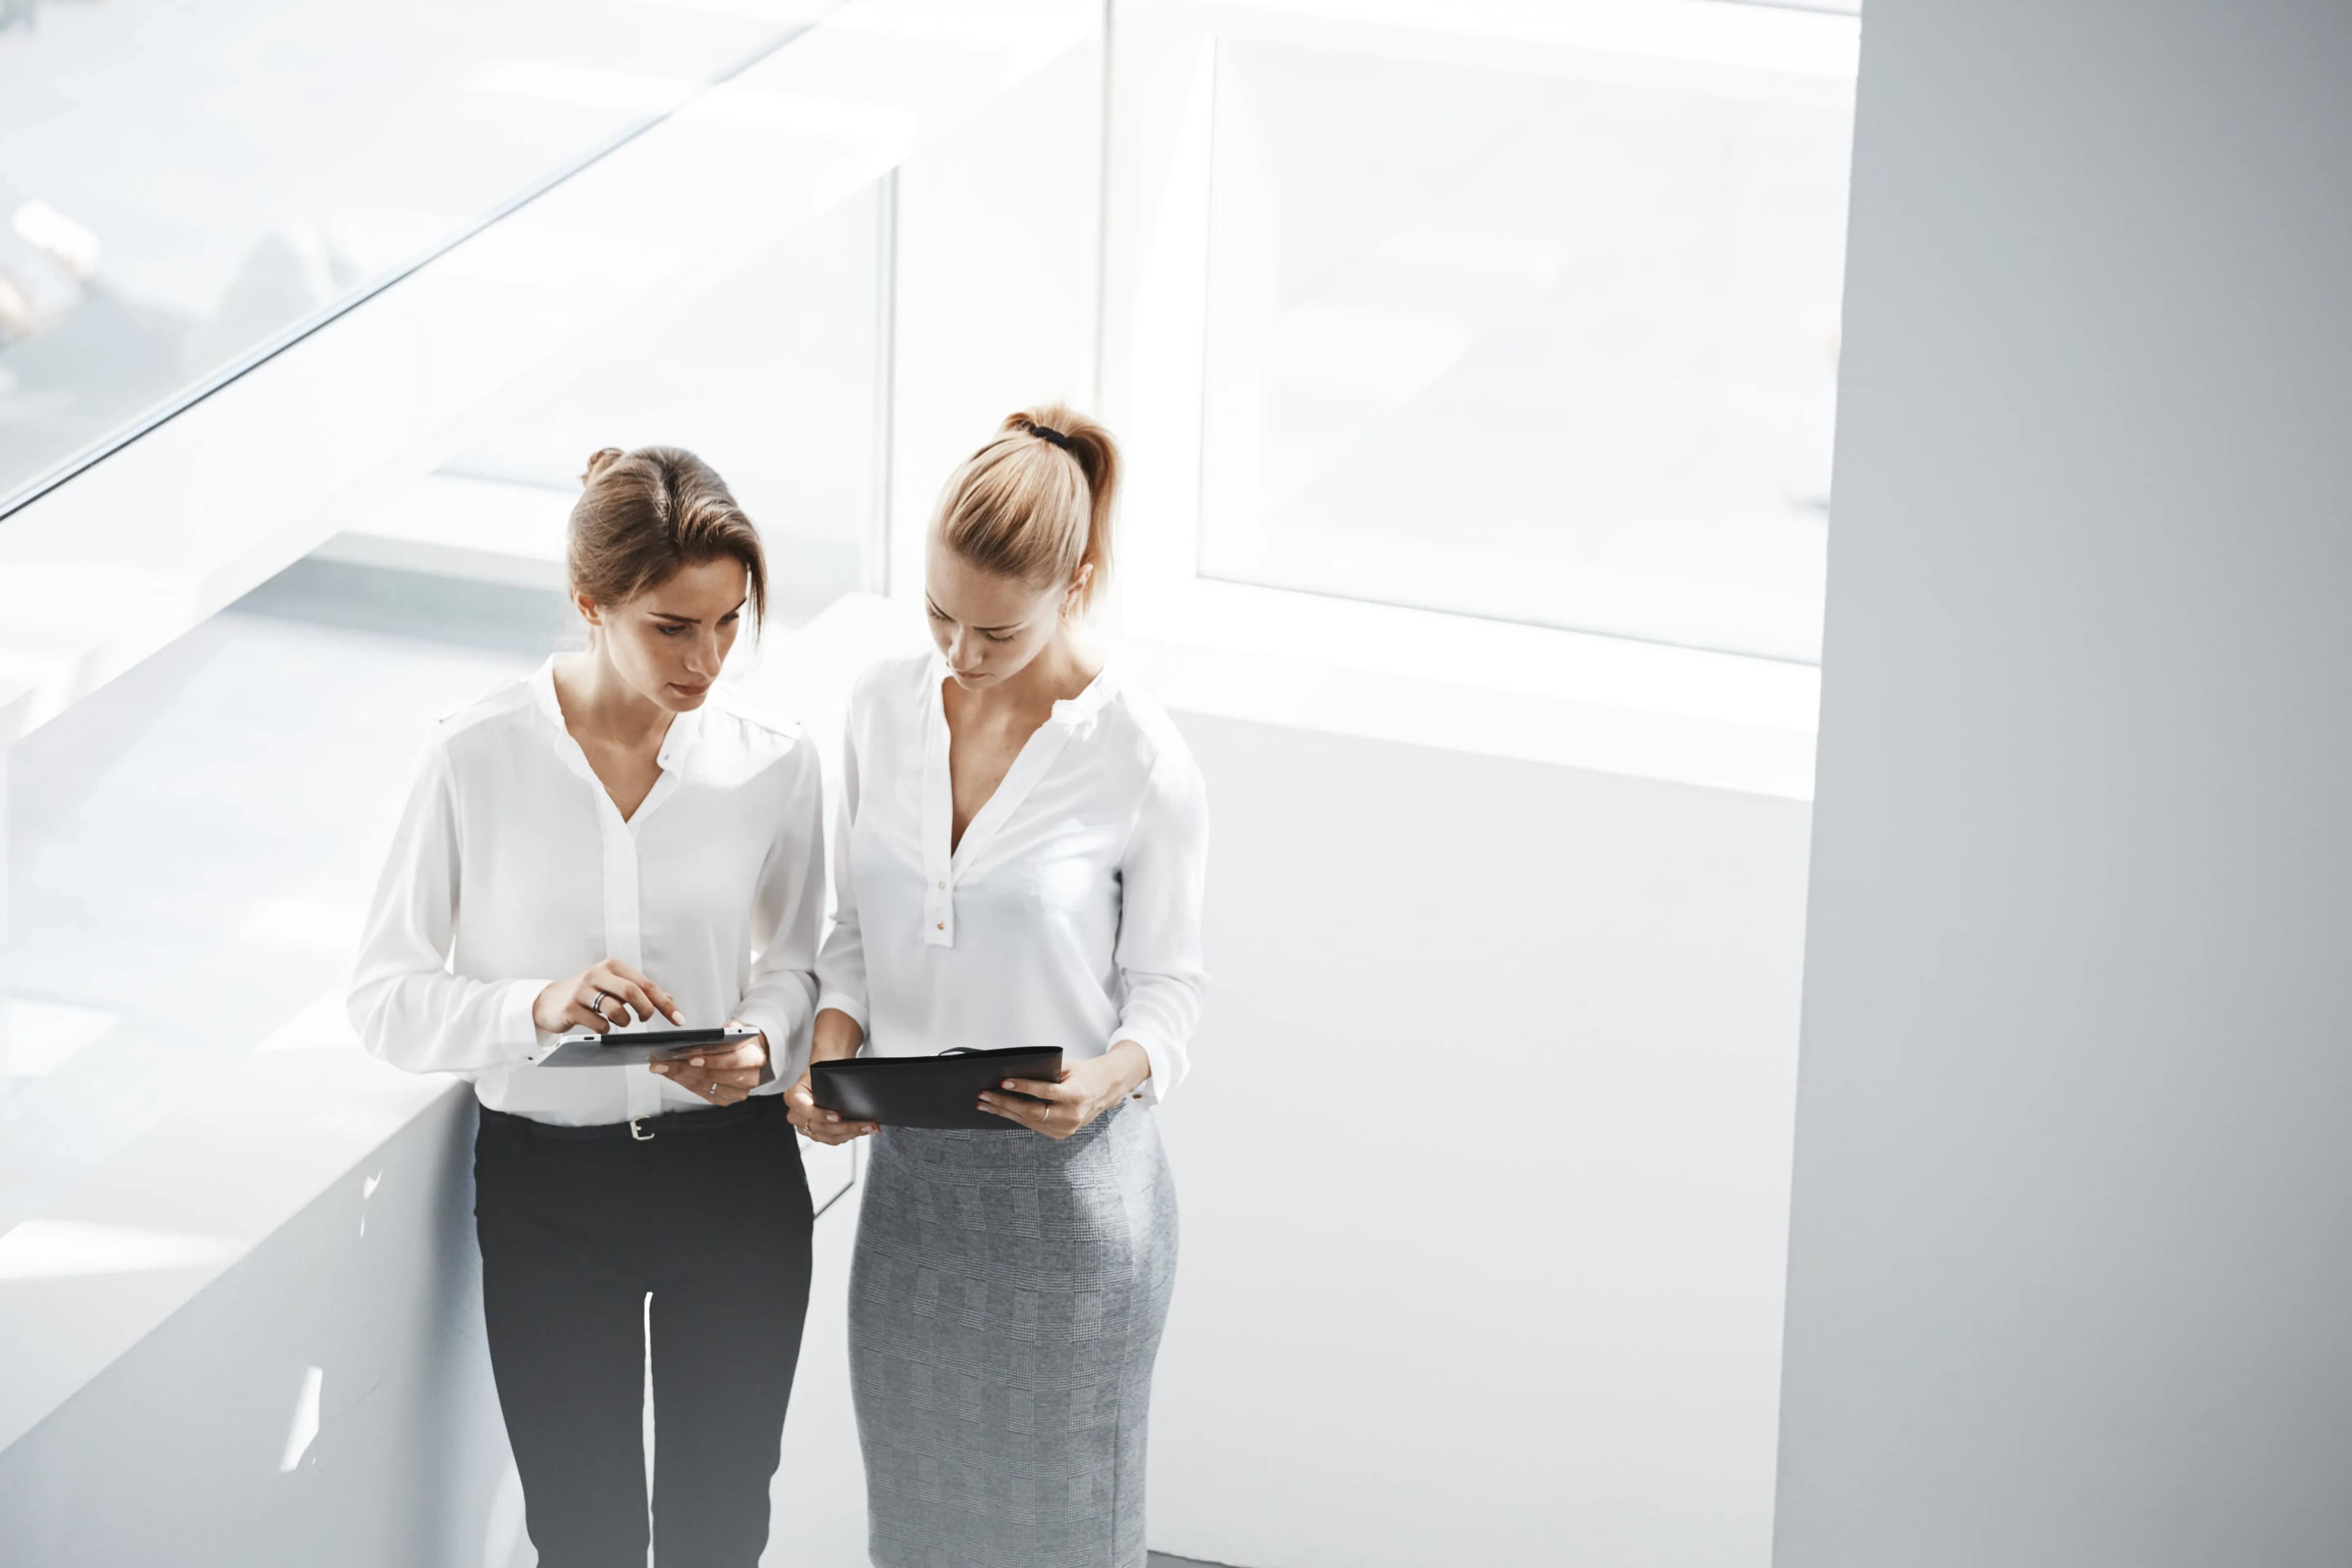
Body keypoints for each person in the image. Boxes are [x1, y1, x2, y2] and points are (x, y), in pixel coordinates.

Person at [349, 446, 825, 1568]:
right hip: (547, 1193)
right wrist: (537, 1005)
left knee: (722, 1524)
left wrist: (757, 1042)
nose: (707, 658)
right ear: (588, 603)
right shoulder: (474, 758)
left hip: (735, 1178)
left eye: (728, 622)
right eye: (673, 626)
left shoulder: (777, 764)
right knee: (583, 1532)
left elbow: (804, 964)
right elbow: (384, 999)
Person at [786, 404, 1210, 1568]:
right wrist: (832, 1048)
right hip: (914, 1194)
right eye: (938, 614)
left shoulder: (1139, 756)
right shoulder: (881, 704)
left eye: (996, 632)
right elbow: (854, 932)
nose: (961, 655)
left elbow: (1170, 995)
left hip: (1073, 1208)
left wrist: (1109, 1081)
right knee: (916, 1526)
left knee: (1062, 1536)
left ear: (1076, 583)